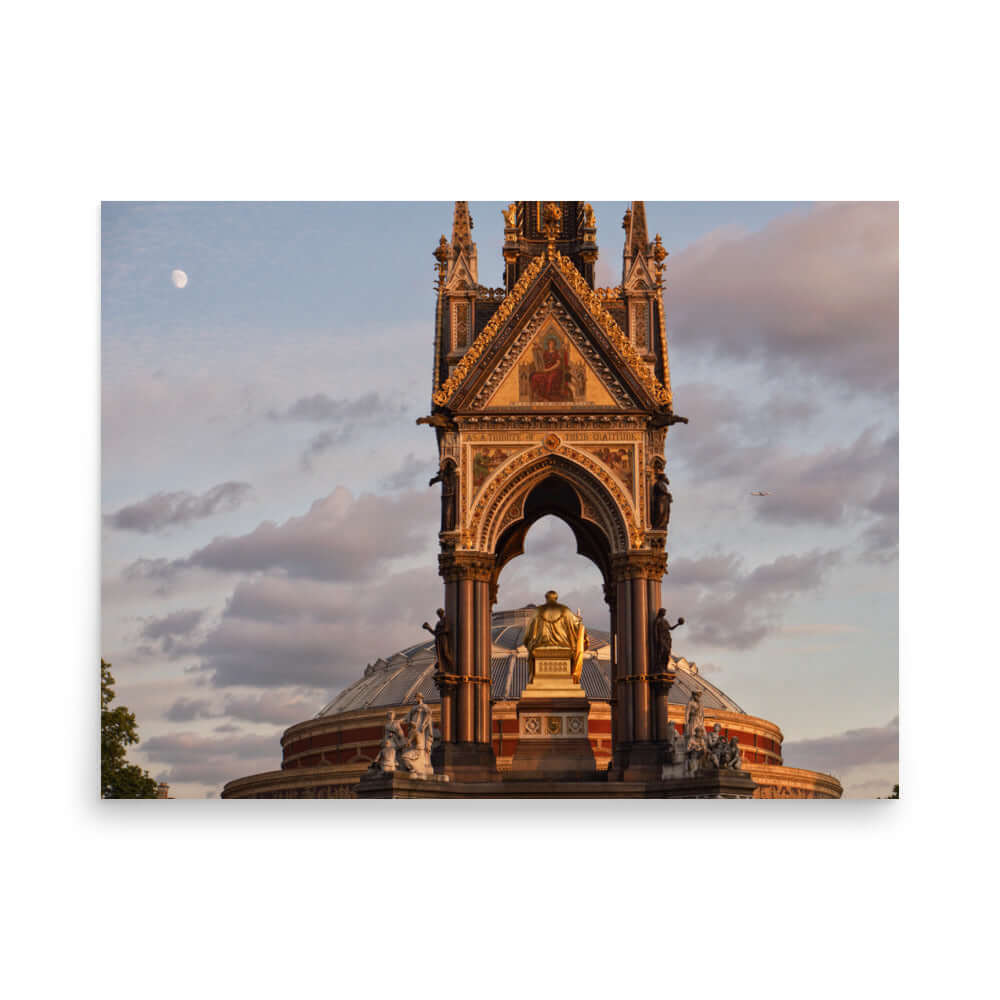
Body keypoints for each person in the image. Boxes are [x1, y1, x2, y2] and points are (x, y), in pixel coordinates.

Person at [523, 590, 586, 683]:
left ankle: (535, 679)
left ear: (546, 598)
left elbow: (528, 634)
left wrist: (528, 644)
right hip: (564, 648)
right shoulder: (565, 610)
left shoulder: (537, 611)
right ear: (556, 598)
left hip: (540, 649)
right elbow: (577, 626)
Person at [429, 458, 458, 532]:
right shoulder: (445, 475)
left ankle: (449, 528)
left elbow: (438, 478)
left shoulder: (453, 474)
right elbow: (438, 478)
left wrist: (432, 481)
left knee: (449, 513)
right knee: (447, 514)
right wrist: (432, 481)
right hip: (447, 496)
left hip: (451, 496)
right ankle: (448, 528)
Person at [422, 608, 454, 674]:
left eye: (440, 613)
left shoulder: (445, 620)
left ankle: (452, 667)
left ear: (443, 613)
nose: (439, 615)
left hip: (443, 639)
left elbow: (446, 629)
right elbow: (435, 633)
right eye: (438, 613)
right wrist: (428, 628)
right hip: (438, 640)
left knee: (445, 653)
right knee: (440, 656)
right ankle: (442, 669)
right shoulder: (438, 623)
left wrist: (439, 633)